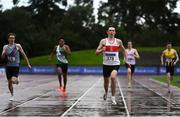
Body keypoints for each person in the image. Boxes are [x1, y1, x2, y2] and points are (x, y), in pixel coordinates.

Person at [96, 26, 129, 105]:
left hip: (115, 64)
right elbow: (96, 53)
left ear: (115, 32)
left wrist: (126, 60)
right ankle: (106, 92)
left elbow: (124, 51)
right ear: (107, 32)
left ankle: (113, 97)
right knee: (106, 83)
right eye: (110, 30)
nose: (111, 32)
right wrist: (101, 50)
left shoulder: (118, 41)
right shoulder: (103, 41)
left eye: (113, 31)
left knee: (113, 77)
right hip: (106, 64)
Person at [1, 33, 31, 101]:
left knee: (13, 80)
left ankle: (16, 80)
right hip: (8, 66)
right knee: (9, 82)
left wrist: (28, 64)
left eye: (13, 38)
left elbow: (23, 54)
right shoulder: (5, 47)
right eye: (10, 38)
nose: (12, 39)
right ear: (8, 39)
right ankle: (12, 95)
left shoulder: (18, 46)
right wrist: (3, 54)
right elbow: (2, 57)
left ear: (14, 39)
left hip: (15, 66)